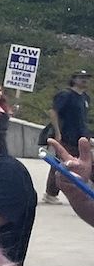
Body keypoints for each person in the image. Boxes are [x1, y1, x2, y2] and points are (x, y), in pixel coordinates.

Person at [45, 70, 89, 205]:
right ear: (74, 79)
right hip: (66, 135)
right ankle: (50, 193)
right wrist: (57, 132)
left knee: (85, 165)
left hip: (80, 136)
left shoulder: (85, 97)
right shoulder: (66, 95)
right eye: (81, 78)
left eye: (86, 78)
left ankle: (85, 192)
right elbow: (53, 112)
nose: (84, 80)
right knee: (61, 165)